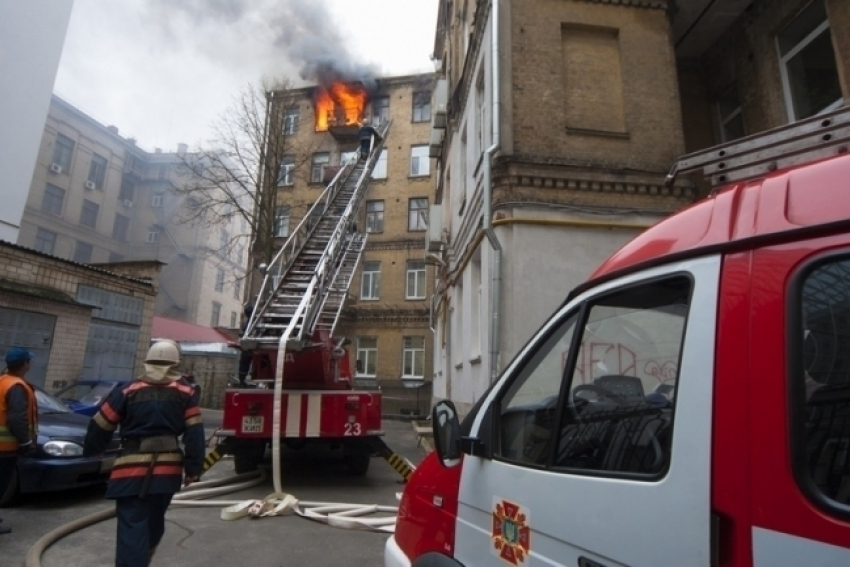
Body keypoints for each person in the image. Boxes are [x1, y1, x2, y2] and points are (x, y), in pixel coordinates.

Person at [84, 340, 204, 566]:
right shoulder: (186, 392)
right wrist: (193, 468)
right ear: (176, 364)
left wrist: (93, 450)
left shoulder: (127, 390)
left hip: (129, 473)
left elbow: (101, 424)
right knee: (154, 524)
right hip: (167, 474)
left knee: (132, 527)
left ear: (147, 362)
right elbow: (195, 433)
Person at [0, 347, 37, 535]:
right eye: (29, 361)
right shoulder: (16, 386)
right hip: (5, 448)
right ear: (25, 364)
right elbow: (16, 418)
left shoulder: (3, 381)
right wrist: (25, 442)